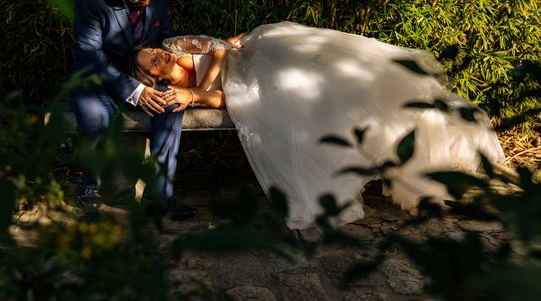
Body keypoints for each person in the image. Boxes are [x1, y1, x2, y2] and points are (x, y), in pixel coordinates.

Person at [129, 22, 506, 229]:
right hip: (246, 82)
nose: (161, 55)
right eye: (154, 62)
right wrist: (200, 93)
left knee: (335, 72)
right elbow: (226, 98)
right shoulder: (174, 88)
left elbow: (219, 46)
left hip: (258, 51)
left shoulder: (177, 43)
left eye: (155, 51)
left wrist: (199, 91)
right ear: (152, 77)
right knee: (309, 97)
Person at [68, 0, 196, 220]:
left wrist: (180, 69)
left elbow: (166, 37)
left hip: (145, 76)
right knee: (96, 117)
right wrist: (135, 91)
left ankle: (160, 197)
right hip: (99, 79)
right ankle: (91, 186)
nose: (148, 2)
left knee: (171, 102)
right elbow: (92, 57)